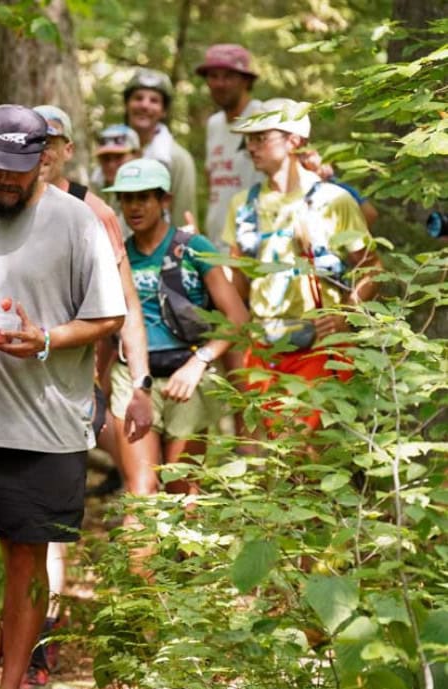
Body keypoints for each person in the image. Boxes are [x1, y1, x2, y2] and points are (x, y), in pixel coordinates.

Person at [0, 105, 152, 689]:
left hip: (44, 426)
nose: (4, 179)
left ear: (43, 159)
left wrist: (47, 339)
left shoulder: (77, 220)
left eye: (17, 169)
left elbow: (109, 315)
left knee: (26, 562)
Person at [103, 159, 249, 571]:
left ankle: (188, 589)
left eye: (143, 198)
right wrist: (99, 379)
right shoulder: (118, 255)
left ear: (163, 200)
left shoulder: (194, 248)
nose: (134, 207)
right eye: (126, 199)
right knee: (141, 490)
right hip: (133, 378)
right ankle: (143, 597)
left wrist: (200, 362)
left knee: (184, 490)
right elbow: (108, 323)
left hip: (188, 376)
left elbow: (237, 319)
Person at [223, 99, 380, 431]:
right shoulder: (243, 206)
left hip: (320, 346)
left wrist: (346, 314)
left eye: (261, 137)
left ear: (293, 140)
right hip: (265, 348)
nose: (251, 147)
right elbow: (238, 287)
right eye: (249, 139)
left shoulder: (333, 200)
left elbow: (372, 268)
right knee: (276, 451)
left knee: (307, 448)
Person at [197, 44, 263, 252]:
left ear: (246, 80)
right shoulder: (214, 124)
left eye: (228, 76)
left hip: (253, 241)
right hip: (217, 240)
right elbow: (212, 178)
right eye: (213, 76)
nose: (220, 84)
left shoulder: (261, 116)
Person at [124, 69, 199, 230]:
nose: (144, 105)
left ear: (164, 111)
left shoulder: (177, 159)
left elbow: (183, 220)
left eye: (154, 100)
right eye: (138, 98)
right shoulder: (112, 155)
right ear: (127, 104)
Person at [92, 124, 141, 193]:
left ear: (136, 155)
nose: (111, 165)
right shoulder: (93, 188)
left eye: (119, 157)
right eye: (105, 158)